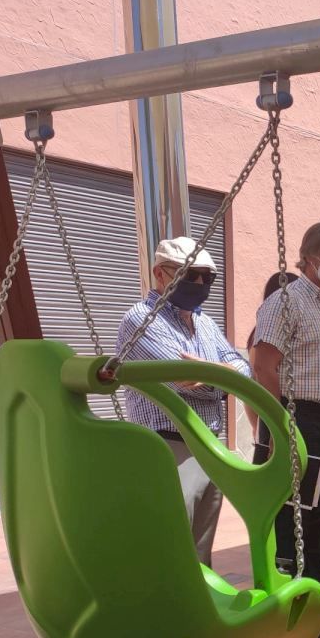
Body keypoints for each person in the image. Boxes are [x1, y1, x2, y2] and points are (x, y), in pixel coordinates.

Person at [251, 221, 320, 630]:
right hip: (298, 418)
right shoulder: (285, 301)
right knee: (293, 516)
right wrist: (280, 423)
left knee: (318, 516)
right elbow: (264, 367)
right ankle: (293, 610)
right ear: (310, 257)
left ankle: (317, 604)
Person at [116, 236, 250, 569]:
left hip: (208, 445)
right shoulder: (142, 319)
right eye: (190, 274)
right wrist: (223, 377)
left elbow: (244, 370)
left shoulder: (204, 322)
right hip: (169, 446)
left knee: (200, 552)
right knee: (170, 546)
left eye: (207, 277)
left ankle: (197, 602)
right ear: (159, 274)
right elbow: (185, 381)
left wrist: (212, 374)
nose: (200, 283)